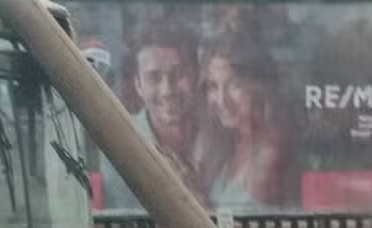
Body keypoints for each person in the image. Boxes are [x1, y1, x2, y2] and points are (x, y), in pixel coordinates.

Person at [100, 24, 209, 210]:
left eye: (178, 74)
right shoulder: (120, 143)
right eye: (154, 77)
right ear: (138, 86)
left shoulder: (222, 136)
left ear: (197, 76)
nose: (167, 90)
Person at [202, 36, 285, 208]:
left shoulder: (269, 153)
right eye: (213, 86)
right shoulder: (233, 141)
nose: (221, 100)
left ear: (259, 89)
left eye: (233, 85)